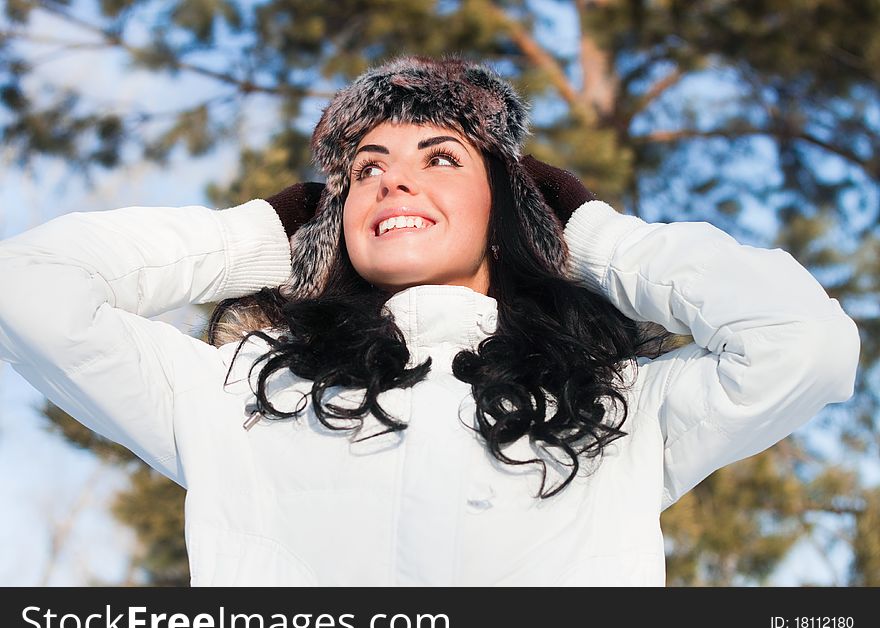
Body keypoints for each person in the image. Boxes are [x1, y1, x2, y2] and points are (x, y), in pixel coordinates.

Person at [0, 56, 860, 586]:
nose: (390, 182)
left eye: (440, 157)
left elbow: (806, 344)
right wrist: (262, 233)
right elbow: (29, 288)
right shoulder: (236, 390)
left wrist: (589, 234)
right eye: (363, 170)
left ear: (507, 207)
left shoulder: (618, 406)